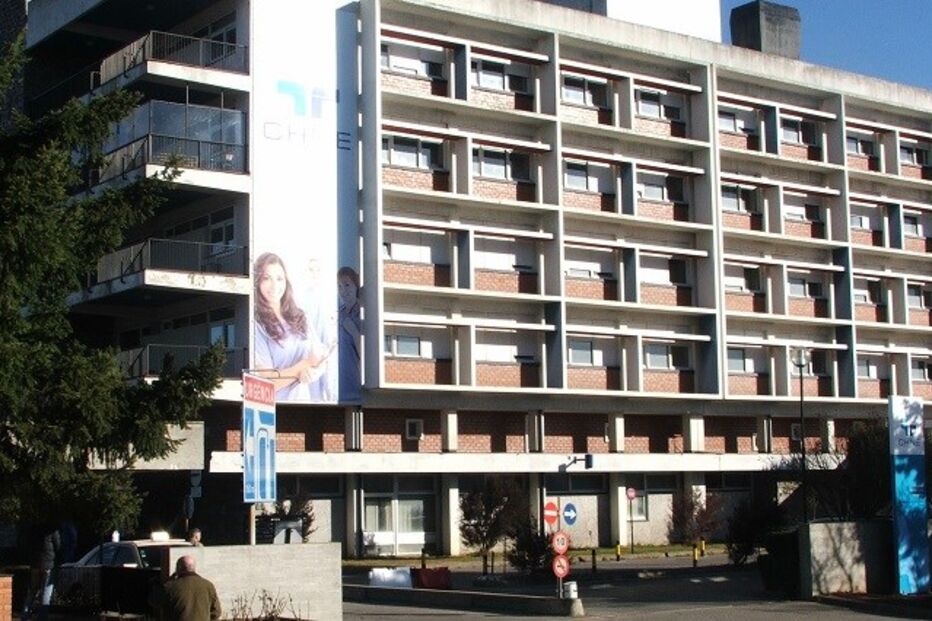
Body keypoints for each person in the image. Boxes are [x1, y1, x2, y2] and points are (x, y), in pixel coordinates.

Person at [253, 253, 333, 401]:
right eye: (266, 278)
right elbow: (265, 384)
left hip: (305, 405)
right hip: (273, 409)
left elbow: (319, 357)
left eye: (279, 278)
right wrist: (301, 368)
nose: (274, 285)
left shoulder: (300, 317)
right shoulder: (256, 325)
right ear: (257, 282)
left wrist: (313, 372)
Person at [152, 555, 221, 621]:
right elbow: (216, 612)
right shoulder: (208, 585)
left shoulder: (170, 586)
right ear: (194, 568)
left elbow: (154, 601)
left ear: (178, 568)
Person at [337, 266, 362, 402]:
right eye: (340, 286)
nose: (343, 290)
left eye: (347, 285)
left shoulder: (362, 314)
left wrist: (353, 331)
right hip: (335, 386)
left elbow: (366, 356)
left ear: (355, 286)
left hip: (353, 386)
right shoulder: (337, 314)